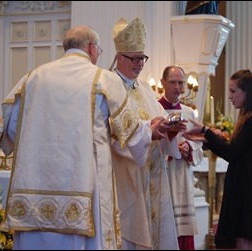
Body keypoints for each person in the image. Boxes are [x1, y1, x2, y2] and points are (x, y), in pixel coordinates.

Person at [0, 25, 170, 250]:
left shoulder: (33, 77)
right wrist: (149, 130)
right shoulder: (102, 79)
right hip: (84, 187)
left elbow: (9, 127)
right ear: (92, 48)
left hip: (33, 190)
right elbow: (130, 131)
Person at [109, 17, 183, 250]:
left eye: (143, 58)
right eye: (135, 58)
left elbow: (158, 120)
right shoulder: (109, 87)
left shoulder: (145, 89)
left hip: (154, 173)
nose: (140, 63)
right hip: (127, 175)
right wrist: (148, 132)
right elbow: (112, 134)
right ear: (120, 57)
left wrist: (169, 131)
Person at [183, 69, 252, 250]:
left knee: (243, 238)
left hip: (246, 185)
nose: (230, 96)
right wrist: (205, 138)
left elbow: (232, 153)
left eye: (233, 91)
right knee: (239, 238)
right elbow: (236, 150)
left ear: (246, 91)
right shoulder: (248, 116)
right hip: (242, 182)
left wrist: (206, 131)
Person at [158, 66, 204, 250]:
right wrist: (171, 147)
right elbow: (149, 143)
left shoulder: (189, 112)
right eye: (172, 82)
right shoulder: (155, 108)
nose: (178, 87)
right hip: (163, 175)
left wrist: (189, 147)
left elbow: (198, 144)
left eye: (180, 82)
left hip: (183, 177)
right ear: (163, 83)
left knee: (183, 232)